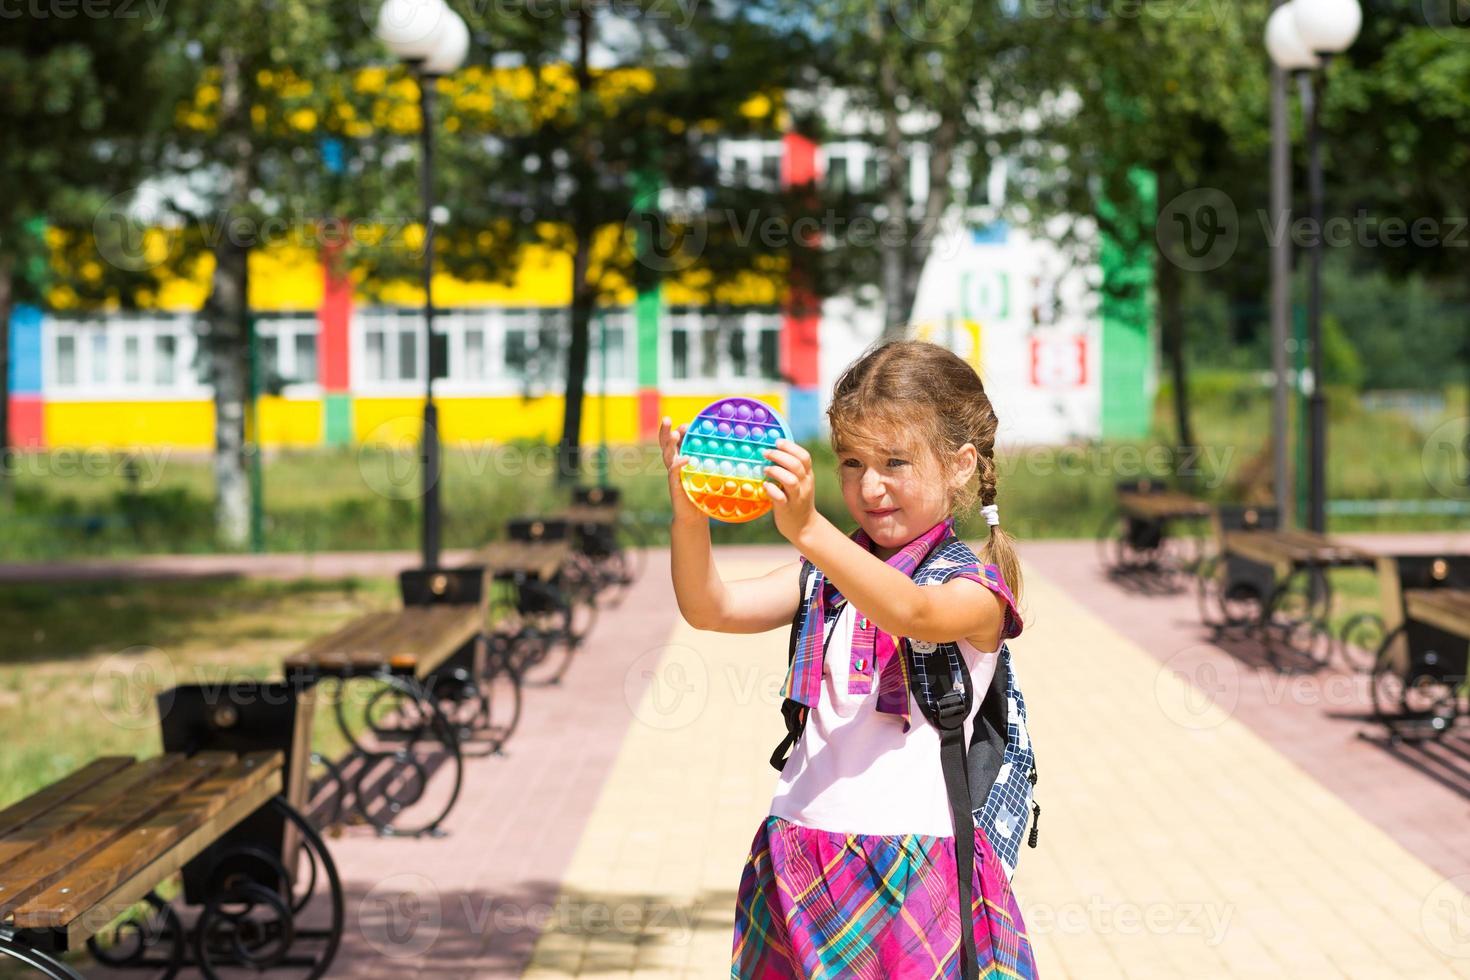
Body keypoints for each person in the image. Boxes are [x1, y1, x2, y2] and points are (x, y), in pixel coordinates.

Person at [660, 339, 1039, 979]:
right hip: (797, 848)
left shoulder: (974, 591)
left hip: (914, 862)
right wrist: (690, 518)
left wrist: (810, 530)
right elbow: (711, 607)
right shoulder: (826, 577)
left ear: (959, 466)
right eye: (852, 461)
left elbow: (913, 612)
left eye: (896, 461)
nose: (870, 486)